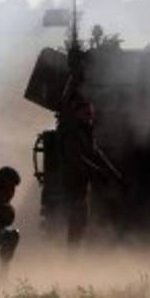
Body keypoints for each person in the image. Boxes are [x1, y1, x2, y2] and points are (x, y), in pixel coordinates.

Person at [57, 97, 125, 249]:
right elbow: (76, 158)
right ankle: (71, 258)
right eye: (86, 113)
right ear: (77, 114)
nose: (90, 116)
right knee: (77, 221)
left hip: (81, 183)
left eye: (91, 113)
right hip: (72, 184)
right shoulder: (71, 132)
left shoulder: (85, 131)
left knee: (81, 221)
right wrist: (99, 172)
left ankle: (73, 254)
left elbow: (96, 154)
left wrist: (114, 174)